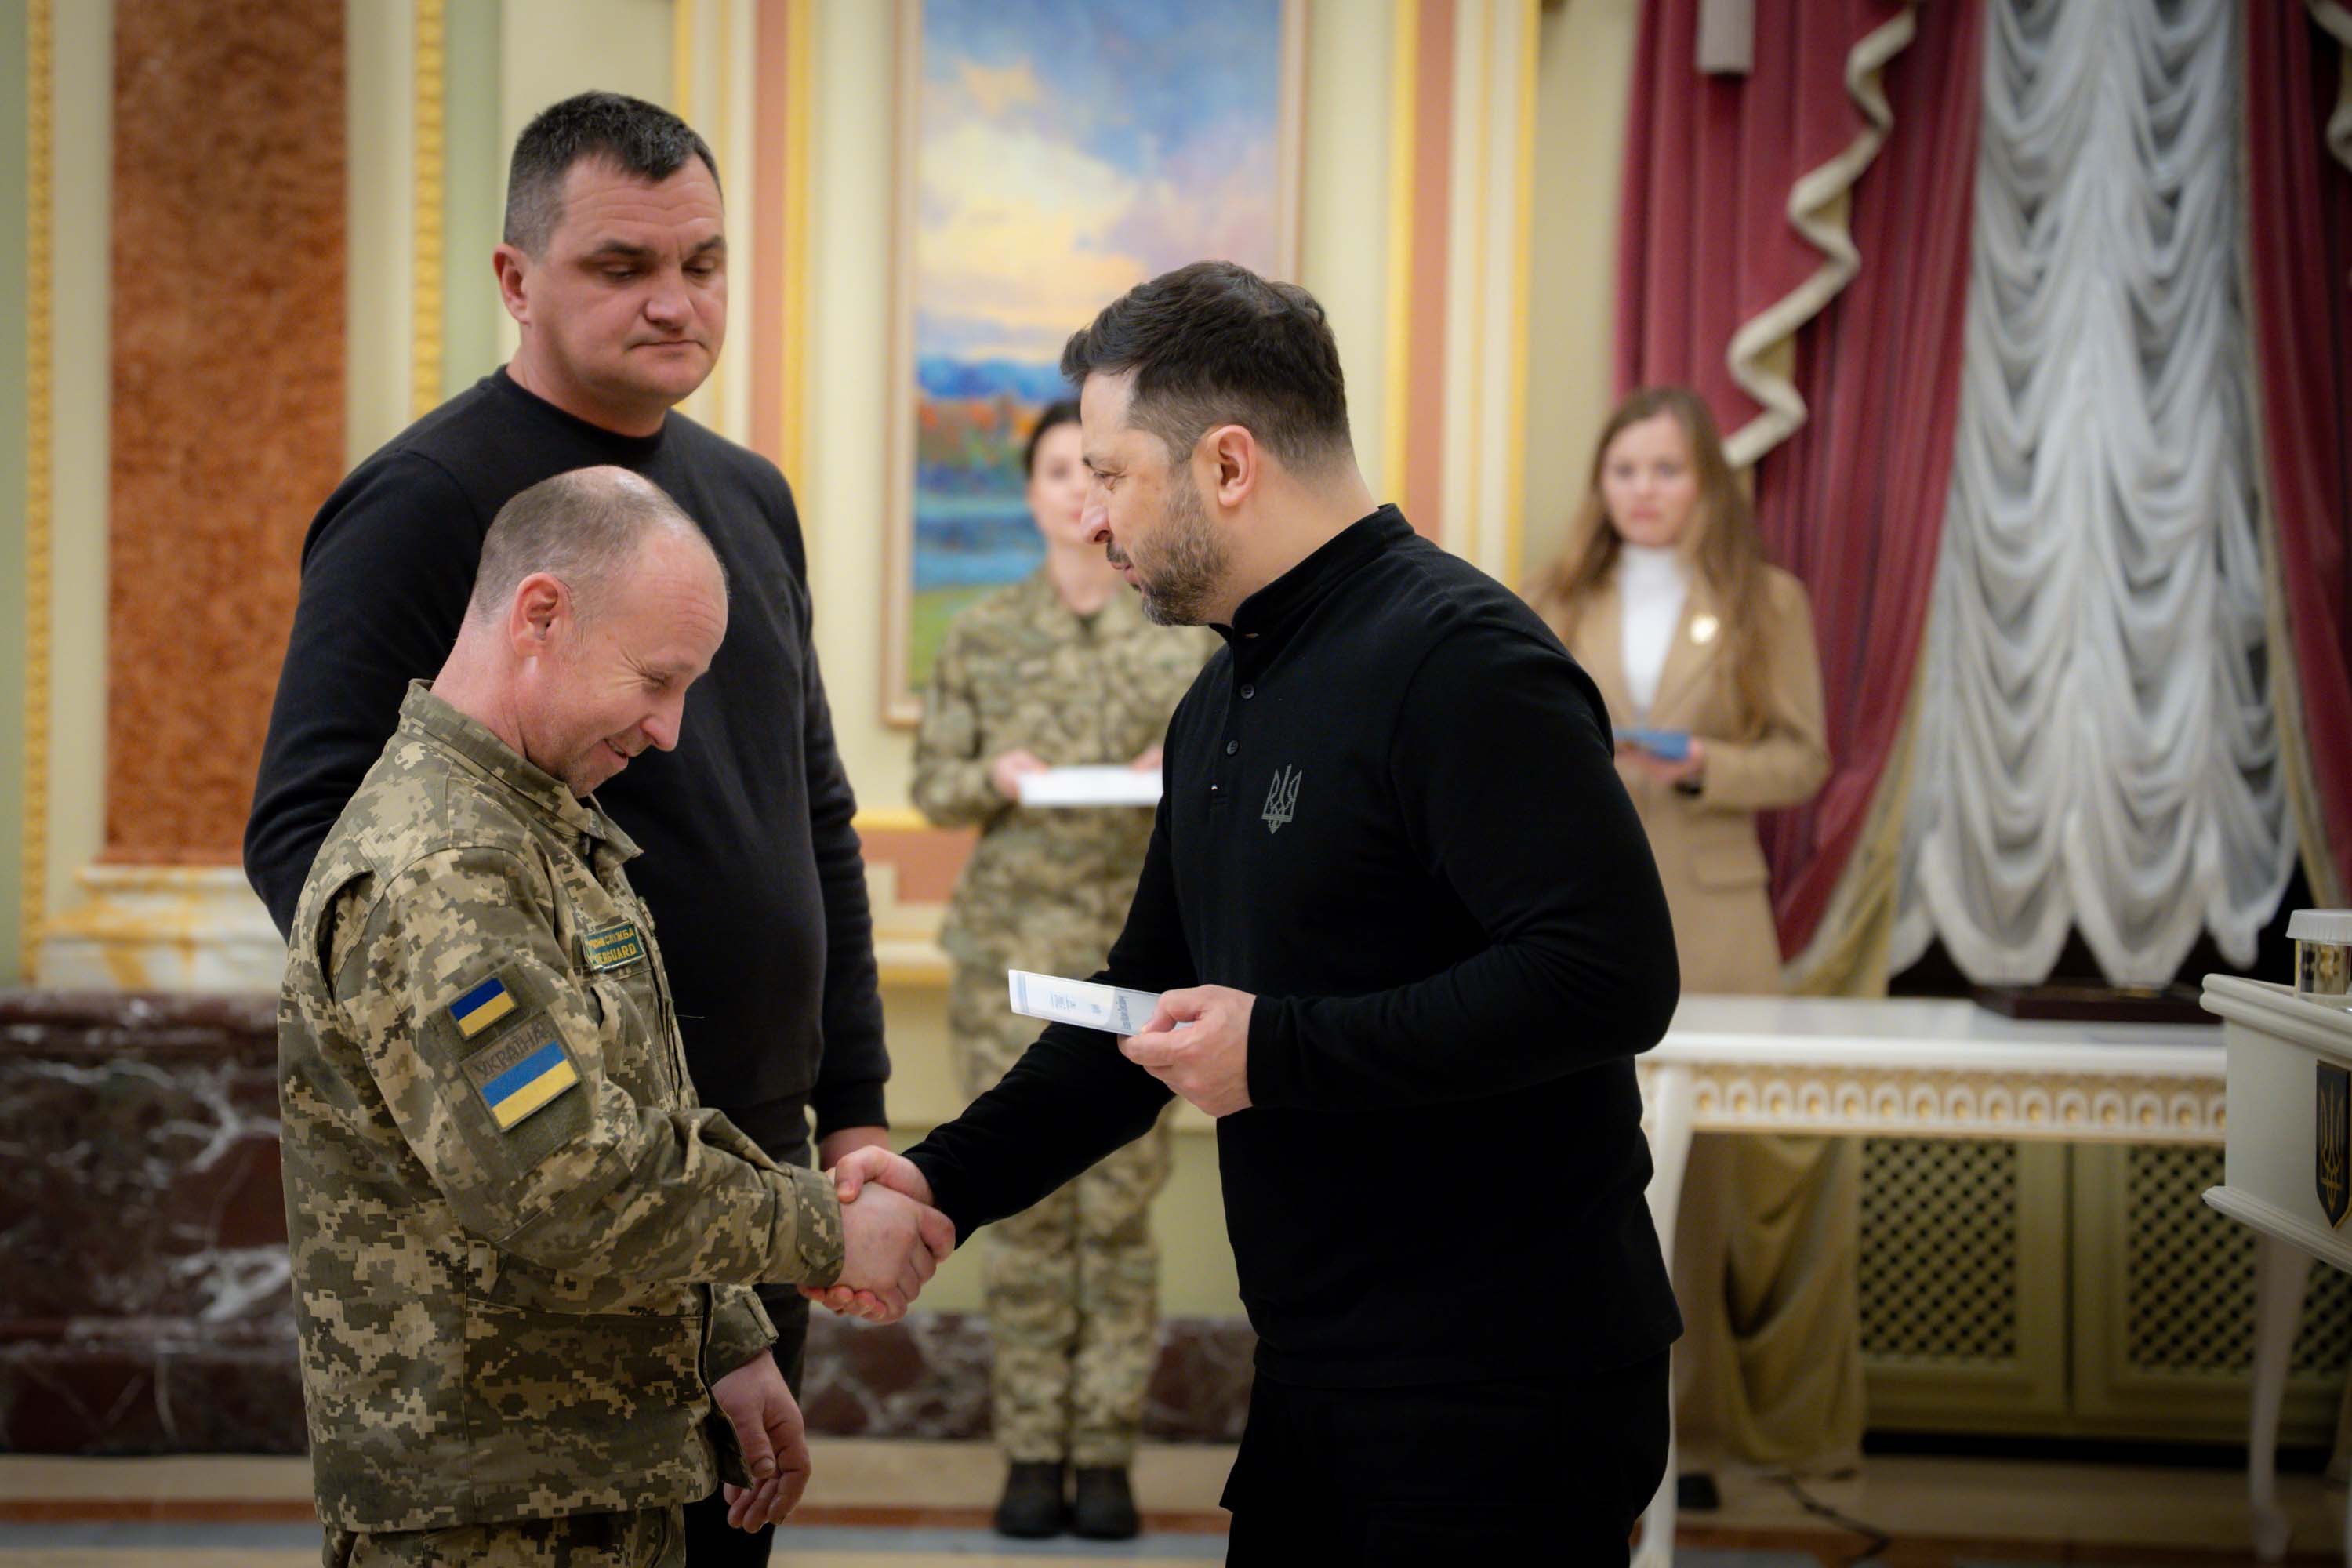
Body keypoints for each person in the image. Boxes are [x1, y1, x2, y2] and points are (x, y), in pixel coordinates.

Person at [815, 261, 1685, 1563]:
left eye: (1111, 475)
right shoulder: (1222, 697)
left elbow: (1608, 976)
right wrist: (941, 1183)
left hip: (1503, 1385)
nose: (1091, 519)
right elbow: (1136, 1010)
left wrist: (1275, 1051)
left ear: (1227, 466)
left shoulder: (1462, 659)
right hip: (1317, 1370)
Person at [243, 93, 887, 1565]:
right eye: (622, 265)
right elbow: (314, 835)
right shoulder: (427, 500)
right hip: (541, 1177)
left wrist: (850, 1101)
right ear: (517, 278)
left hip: (741, 1159)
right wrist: (515, 1067)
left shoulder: (746, 498)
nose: (675, 301)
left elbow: (811, 814)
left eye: (704, 263)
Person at [278, 468, 954, 1568]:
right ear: (541, 614)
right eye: (658, 679)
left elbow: (642, 1112)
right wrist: (830, 1231)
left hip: (586, 1472)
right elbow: (564, 1177)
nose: (671, 730)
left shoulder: (539, 823)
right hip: (487, 1511)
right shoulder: (445, 867)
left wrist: (723, 1336)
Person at [1531, 386, 1853, 1484]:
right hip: (1575, 917)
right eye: (1625, 470)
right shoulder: (1556, 597)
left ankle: (1686, 1443)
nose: (1644, 491)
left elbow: (1804, 760)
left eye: (1666, 470)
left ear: (1706, 480)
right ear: (1601, 483)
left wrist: (1706, 765)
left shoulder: (1768, 601)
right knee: (1579, 1176)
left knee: (1698, 1193)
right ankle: (1581, 1437)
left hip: (1716, 925)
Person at [910, 400, 1214, 1541]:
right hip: (1012, 958)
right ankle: (1033, 1454)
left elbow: (1225, 789)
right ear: (1033, 495)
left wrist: (1169, 770)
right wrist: (995, 773)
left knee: (1119, 1220)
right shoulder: (985, 631)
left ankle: (1107, 1457)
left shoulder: (1178, 632)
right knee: (1026, 1217)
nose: (1077, 493)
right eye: (1053, 473)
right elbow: (934, 785)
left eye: (1094, 473)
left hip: (1142, 958)